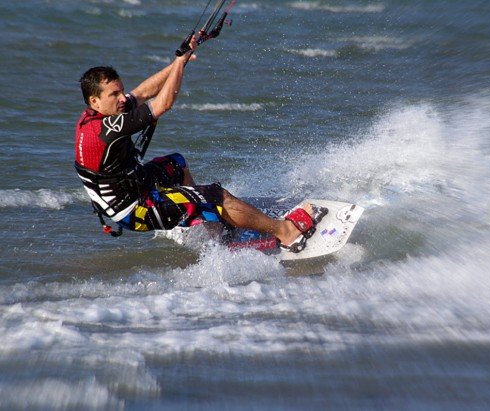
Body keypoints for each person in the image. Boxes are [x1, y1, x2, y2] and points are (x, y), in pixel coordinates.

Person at [74, 36, 319, 252]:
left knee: (176, 164)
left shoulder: (96, 115)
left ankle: (212, 229)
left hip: (132, 185)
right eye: (114, 95)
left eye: (120, 91)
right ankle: (285, 232)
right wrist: (179, 64)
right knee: (216, 196)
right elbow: (162, 105)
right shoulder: (106, 130)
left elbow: (141, 93)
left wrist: (179, 61)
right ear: (94, 101)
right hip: (135, 208)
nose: (122, 98)